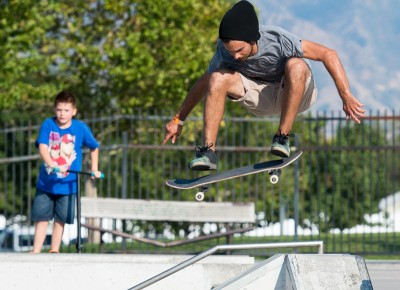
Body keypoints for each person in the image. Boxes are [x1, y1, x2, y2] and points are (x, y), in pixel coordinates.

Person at [163, 0, 365, 170]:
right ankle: (209, 152)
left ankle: (282, 137)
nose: (236, 56)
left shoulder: (278, 39)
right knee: (217, 77)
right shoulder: (224, 51)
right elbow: (203, 83)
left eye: (240, 50)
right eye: (230, 51)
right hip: (262, 97)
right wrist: (178, 119)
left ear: (253, 40)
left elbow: (328, 54)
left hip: (297, 93)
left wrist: (345, 95)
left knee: (296, 65)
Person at [31, 91, 102, 253]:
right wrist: (53, 164)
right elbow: (42, 147)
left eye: (66, 110)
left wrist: (94, 169)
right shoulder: (48, 124)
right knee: (41, 218)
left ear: (74, 111)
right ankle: (35, 251)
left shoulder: (80, 128)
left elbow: (94, 147)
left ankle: (54, 250)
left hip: (68, 186)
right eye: (59, 110)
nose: (62, 114)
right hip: (46, 183)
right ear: (54, 110)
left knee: (60, 220)